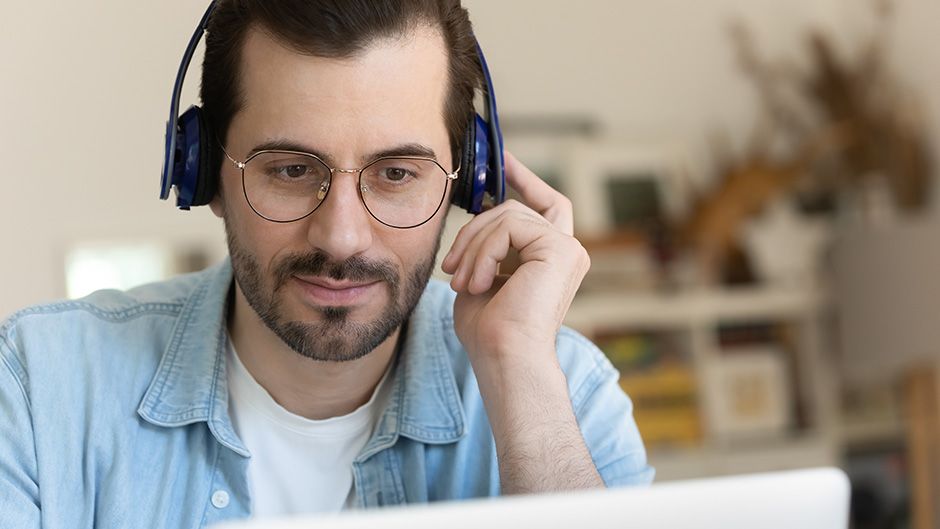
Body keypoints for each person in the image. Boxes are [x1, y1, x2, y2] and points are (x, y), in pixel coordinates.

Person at [0, 1, 653, 527]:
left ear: (468, 182)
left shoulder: (564, 389)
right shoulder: (40, 386)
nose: (342, 237)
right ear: (203, 176)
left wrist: (521, 376)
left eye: (397, 173)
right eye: (289, 169)